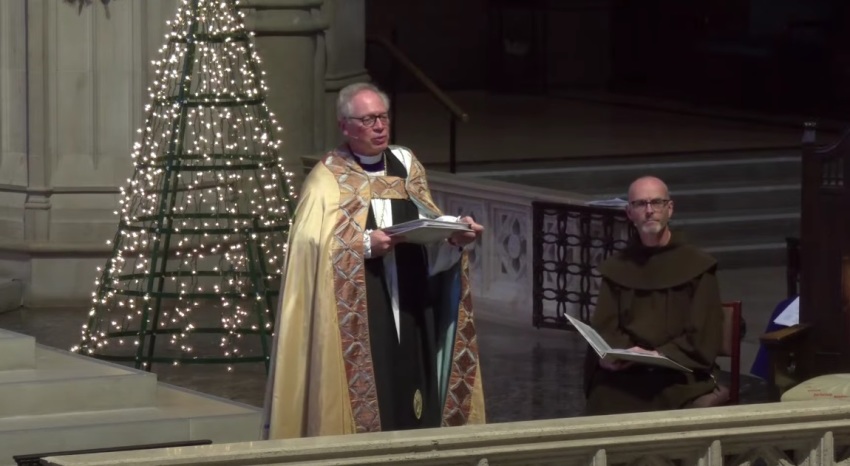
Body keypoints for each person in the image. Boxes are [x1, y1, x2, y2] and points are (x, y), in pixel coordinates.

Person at [263, 82, 486, 438]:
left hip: (413, 302)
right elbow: (310, 248)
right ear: (345, 126)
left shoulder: (406, 164)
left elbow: (427, 221)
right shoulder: (327, 179)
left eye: (383, 117)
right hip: (362, 308)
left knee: (413, 391)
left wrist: (454, 237)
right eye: (368, 120)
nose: (380, 126)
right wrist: (364, 244)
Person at [583, 176, 724, 415]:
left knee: (660, 399)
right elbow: (605, 327)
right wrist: (616, 356)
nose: (649, 211)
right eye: (640, 204)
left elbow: (703, 334)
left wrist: (659, 355)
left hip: (678, 373)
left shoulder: (698, 266)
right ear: (629, 213)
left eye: (656, 203)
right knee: (603, 394)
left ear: (670, 208)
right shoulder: (617, 267)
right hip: (629, 371)